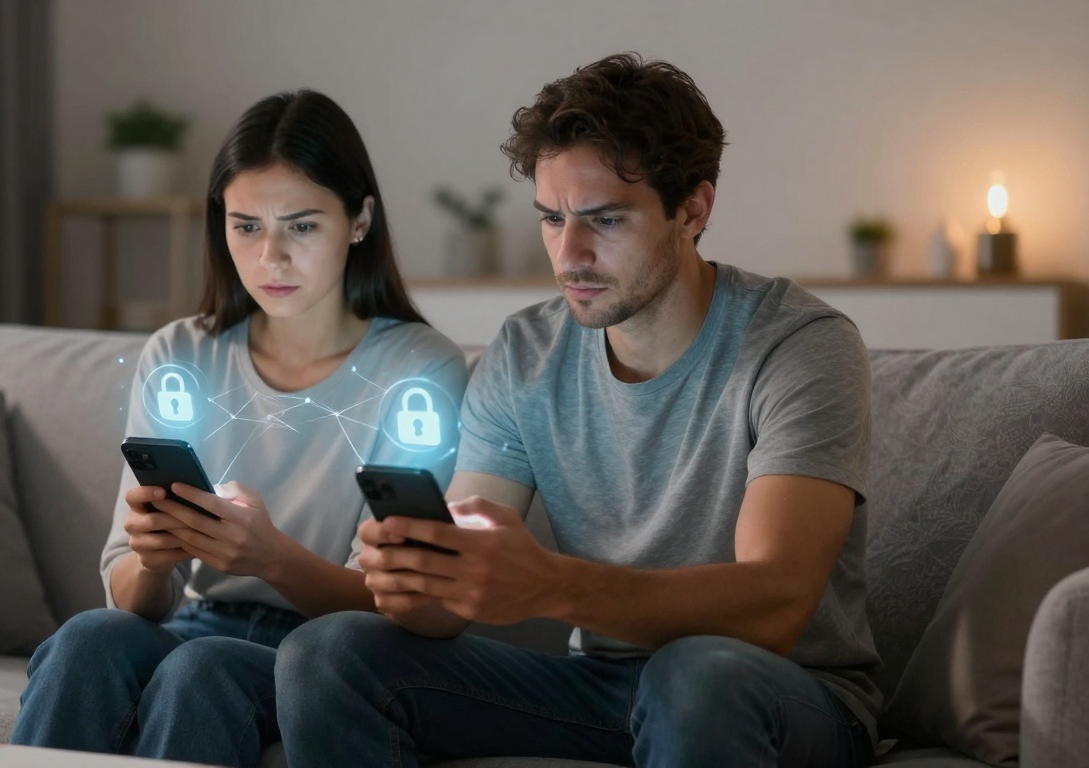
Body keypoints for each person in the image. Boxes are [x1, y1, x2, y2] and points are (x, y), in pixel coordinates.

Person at [275, 53, 882, 768]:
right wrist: (419, 578)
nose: (569, 254)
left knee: (695, 675)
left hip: (777, 692)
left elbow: (775, 606)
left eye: (605, 220)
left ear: (692, 211)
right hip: (603, 687)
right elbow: (444, 612)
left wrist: (551, 584)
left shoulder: (799, 344)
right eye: (552, 219)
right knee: (328, 653)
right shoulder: (525, 353)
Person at [9, 89, 468, 766]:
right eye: (246, 226)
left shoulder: (418, 371)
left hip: (327, 652)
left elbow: (393, 603)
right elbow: (130, 598)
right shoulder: (179, 354)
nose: (270, 257)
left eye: (301, 226)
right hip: (197, 624)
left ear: (360, 220)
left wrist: (271, 558)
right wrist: (155, 559)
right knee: (88, 638)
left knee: (204, 670)